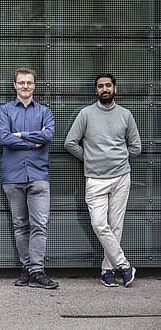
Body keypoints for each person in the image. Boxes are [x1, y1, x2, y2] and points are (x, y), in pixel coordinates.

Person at [64, 73, 141, 287]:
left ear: (115, 88)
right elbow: (70, 143)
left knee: (115, 226)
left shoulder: (125, 115)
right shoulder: (86, 114)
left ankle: (107, 270)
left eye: (108, 85)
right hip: (95, 180)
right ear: (96, 90)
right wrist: (91, 159)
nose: (104, 89)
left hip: (121, 177)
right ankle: (124, 265)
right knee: (99, 224)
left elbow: (136, 147)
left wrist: (117, 157)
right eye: (100, 86)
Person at [0, 68, 58, 289]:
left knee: (39, 224)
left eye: (29, 82)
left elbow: (48, 135)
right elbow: (4, 138)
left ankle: (37, 271)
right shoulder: (5, 111)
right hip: (13, 176)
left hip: (38, 175)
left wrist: (20, 135)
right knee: (21, 225)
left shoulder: (45, 111)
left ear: (34, 85)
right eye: (21, 82)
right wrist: (34, 140)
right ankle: (26, 269)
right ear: (14, 85)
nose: (25, 86)